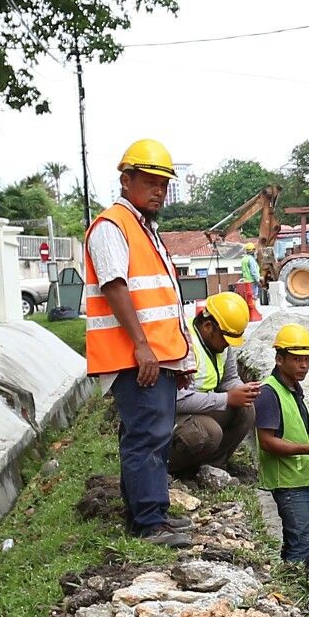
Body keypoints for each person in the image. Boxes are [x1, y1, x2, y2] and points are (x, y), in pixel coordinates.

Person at [83, 138, 194, 547]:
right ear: (125, 180)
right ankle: (150, 522)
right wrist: (143, 346)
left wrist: (175, 360)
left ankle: (147, 515)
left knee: (150, 434)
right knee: (147, 435)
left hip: (154, 356)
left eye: (163, 184)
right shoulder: (113, 226)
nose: (159, 191)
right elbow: (116, 287)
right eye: (150, 182)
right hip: (136, 357)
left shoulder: (144, 229)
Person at [254, 323, 309, 567]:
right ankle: (298, 599)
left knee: (297, 540)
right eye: (297, 359)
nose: (304, 365)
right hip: (289, 483)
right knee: (300, 543)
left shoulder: (291, 389)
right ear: (279, 359)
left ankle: (293, 596)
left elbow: (290, 425)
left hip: (301, 479)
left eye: (307, 359)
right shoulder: (269, 393)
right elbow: (267, 441)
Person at [170, 291, 260, 478]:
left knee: (246, 410)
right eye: (226, 339)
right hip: (172, 416)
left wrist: (242, 390)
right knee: (208, 432)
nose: (228, 345)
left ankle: (212, 468)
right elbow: (178, 399)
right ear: (209, 326)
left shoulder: (221, 344)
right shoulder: (185, 345)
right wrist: (227, 398)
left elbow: (229, 378)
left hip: (198, 408)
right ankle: (174, 470)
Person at [239, 242, 265, 307]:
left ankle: (251, 310)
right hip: (253, 281)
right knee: (254, 296)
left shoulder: (244, 259)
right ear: (253, 250)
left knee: (249, 297)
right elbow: (253, 272)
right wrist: (257, 281)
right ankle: (254, 310)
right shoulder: (251, 259)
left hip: (246, 281)